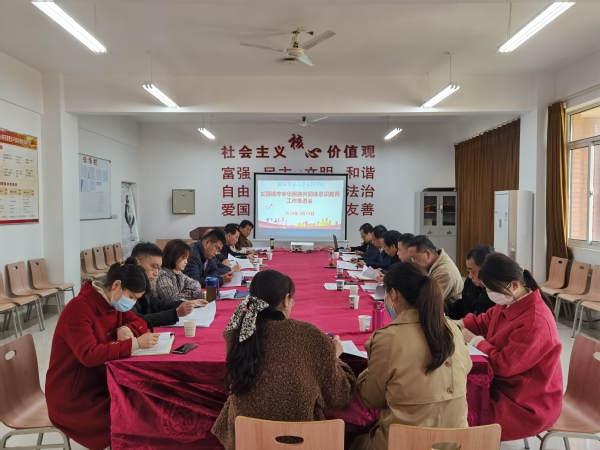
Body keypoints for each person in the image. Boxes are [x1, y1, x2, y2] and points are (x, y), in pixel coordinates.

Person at [211, 270, 356, 450]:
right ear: (286, 299)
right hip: (302, 443)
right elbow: (339, 396)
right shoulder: (308, 334)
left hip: (248, 441)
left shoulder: (238, 333)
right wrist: (332, 357)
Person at [351, 262, 471, 450]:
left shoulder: (388, 338)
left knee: (354, 442)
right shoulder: (452, 329)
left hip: (403, 443)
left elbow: (371, 398)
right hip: (456, 443)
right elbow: (467, 368)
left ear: (393, 294)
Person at [46, 259, 160, 450]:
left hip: (101, 382)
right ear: (116, 285)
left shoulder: (112, 304)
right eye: (131, 297)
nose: (131, 303)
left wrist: (126, 328)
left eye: (136, 299)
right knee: (134, 413)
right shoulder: (79, 308)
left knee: (146, 400)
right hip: (74, 397)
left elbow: (140, 323)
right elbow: (88, 354)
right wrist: (133, 344)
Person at [457, 253, 563, 442]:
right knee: (455, 395)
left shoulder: (535, 320)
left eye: (491, 289)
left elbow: (504, 365)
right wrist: (457, 325)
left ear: (514, 285)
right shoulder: (511, 301)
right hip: (507, 388)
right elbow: (484, 321)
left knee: (461, 414)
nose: (489, 293)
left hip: (527, 404)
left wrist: (476, 341)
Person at [131, 242, 199, 326]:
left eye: (158, 268)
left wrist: (186, 303)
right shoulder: (126, 285)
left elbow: (156, 305)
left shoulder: (144, 283)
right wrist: (175, 313)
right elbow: (137, 320)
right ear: (137, 262)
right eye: (154, 266)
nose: (156, 273)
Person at [407, 235, 463, 305]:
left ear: (428, 254)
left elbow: (429, 301)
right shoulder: (433, 262)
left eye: (414, 258)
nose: (413, 261)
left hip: (449, 310)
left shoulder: (444, 273)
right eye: (411, 258)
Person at [447, 245, 496, 320]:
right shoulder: (470, 283)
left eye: (473, 272)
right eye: (468, 271)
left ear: (486, 270)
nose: (470, 276)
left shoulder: (498, 294)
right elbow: (462, 306)